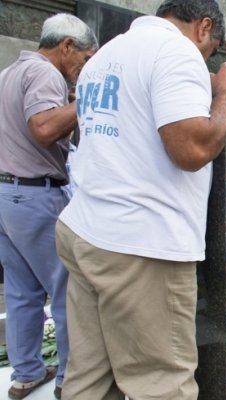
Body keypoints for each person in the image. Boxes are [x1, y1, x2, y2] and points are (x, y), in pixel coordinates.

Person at [55, 1, 226, 398]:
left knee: (89, 378)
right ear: (204, 27)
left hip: (88, 227)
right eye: (210, 50)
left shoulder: (105, 55)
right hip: (142, 245)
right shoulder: (177, 51)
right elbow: (191, 150)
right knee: (161, 385)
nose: (204, 60)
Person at [0, 13, 97, 400]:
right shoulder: (45, 74)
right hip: (36, 194)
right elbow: (42, 128)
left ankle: (26, 374)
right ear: (66, 46)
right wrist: (85, 102)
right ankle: (68, 379)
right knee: (66, 289)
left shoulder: (9, 72)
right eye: (84, 60)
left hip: (7, 196)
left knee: (21, 292)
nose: (83, 69)